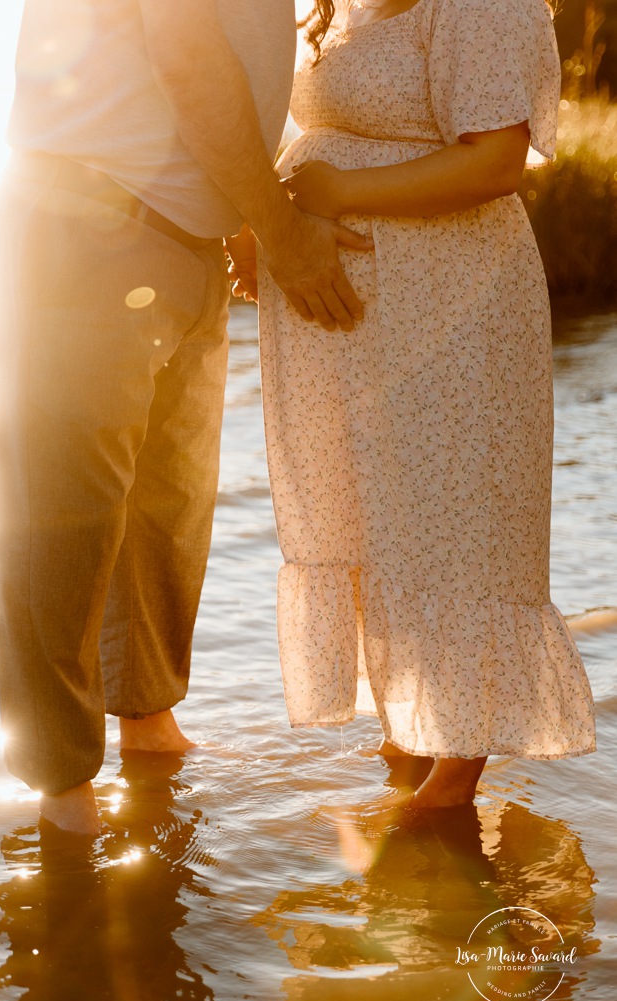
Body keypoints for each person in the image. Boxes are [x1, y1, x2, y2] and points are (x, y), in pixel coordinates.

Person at [0, 0, 373, 836]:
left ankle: (148, 729)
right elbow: (186, 50)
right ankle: (62, 793)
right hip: (90, 223)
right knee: (64, 513)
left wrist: (232, 215)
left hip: (184, 236)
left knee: (168, 508)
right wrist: (275, 226)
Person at [240, 0, 596, 806]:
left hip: (452, 309)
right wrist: (274, 233)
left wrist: (335, 187)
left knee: (454, 531)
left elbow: (493, 164)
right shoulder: (344, 5)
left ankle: (454, 775)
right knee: (377, 523)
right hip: (352, 326)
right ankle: (411, 735)